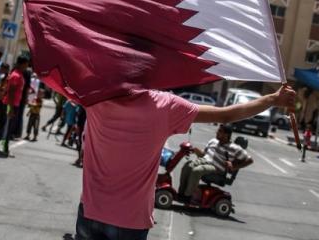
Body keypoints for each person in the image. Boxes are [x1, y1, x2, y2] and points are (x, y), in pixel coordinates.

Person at [75, 85, 295, 239]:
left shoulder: (95, 96)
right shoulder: (164, 105)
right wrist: (273, 99)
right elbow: (225, 115)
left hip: (90, 211)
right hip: (130, 221)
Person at [177, 124, 252, 204]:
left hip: (216, 168)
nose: (217, 132)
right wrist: (195, 150)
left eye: (220, 131)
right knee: (187, 165)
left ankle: (188, 196)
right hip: (204, 160)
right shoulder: (213, 141)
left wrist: (234, 167)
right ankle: (181, 193)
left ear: (226, 135)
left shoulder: (234, 148)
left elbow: (250, 160)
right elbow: (203, 154)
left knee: (197, 171)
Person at [0, 56, 28, 157]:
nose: (26, 67)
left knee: (7, 127)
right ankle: (4, 148)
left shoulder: (18, 74)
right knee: (8, 128)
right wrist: (10, 108)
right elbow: (11, 92)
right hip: (11, 104)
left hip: (14, 104)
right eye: (25, 64)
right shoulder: (16, 75)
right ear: (21, 64)